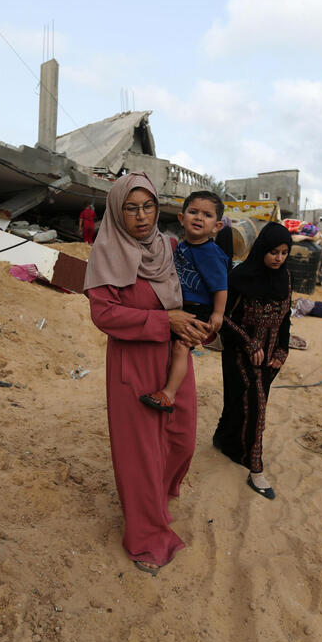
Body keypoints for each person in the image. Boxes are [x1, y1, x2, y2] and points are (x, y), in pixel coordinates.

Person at [84, 172, 210, 576]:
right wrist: (165, 322)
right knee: (140, 454)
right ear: (118, 212)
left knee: (181, 440)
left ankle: (160, 497)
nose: (141, 216)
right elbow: (104, 313)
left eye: (149, 206)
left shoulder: (166, 246)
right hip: (133, 361)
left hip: (175, 356)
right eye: (131, 208)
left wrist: (191, 325)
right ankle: (146, 537)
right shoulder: (107, 251)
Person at [211, 223, 293, 500]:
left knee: (241, 402)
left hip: (270, 359)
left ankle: (226, 442)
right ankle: (255, 468)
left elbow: (285, 320)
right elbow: (224, 319)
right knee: (256, 409)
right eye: (273, 252)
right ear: (261, 249)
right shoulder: (240, 277)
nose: (278, 258)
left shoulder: (285, 278)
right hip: (239, 352)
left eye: (284, 253)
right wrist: (249, 342)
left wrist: (283, 351)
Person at [140, 191, 230, 412]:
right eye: (193, 212)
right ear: (182, 218)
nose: (199, 218)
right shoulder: (181, 247)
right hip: (180, 305)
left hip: (198, 309)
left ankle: (169, 394)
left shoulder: (211, 253)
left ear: (217, 226)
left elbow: (221, 287)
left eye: (207, 215)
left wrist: (218, 314)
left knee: (181, 347)